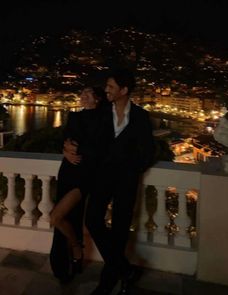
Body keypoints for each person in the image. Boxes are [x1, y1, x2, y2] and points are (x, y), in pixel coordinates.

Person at [85, 68, 156, 295]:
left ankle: (108, 281)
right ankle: (125, 269)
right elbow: (89, 138)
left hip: (126, 180)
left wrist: (133, 169)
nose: (106, 90)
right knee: (93, 219)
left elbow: (148, 151)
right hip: (102, 178)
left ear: (124, 90)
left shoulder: (141, 116)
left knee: (120, 229)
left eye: (111, 87)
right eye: (106, 86)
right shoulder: (102, 112)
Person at [49, 86, 107, 284]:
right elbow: (62, 139)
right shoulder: (74, 117)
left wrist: (77, 147)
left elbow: (100, 149)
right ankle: (64, 264)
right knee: (67, 218)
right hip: (66, 172)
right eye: (82, 93)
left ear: (97, 99)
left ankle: (76, 248)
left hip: (84, 176)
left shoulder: (104, 119)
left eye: (88, 93)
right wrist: (64, 150)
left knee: (56, 217)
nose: (83, 95)